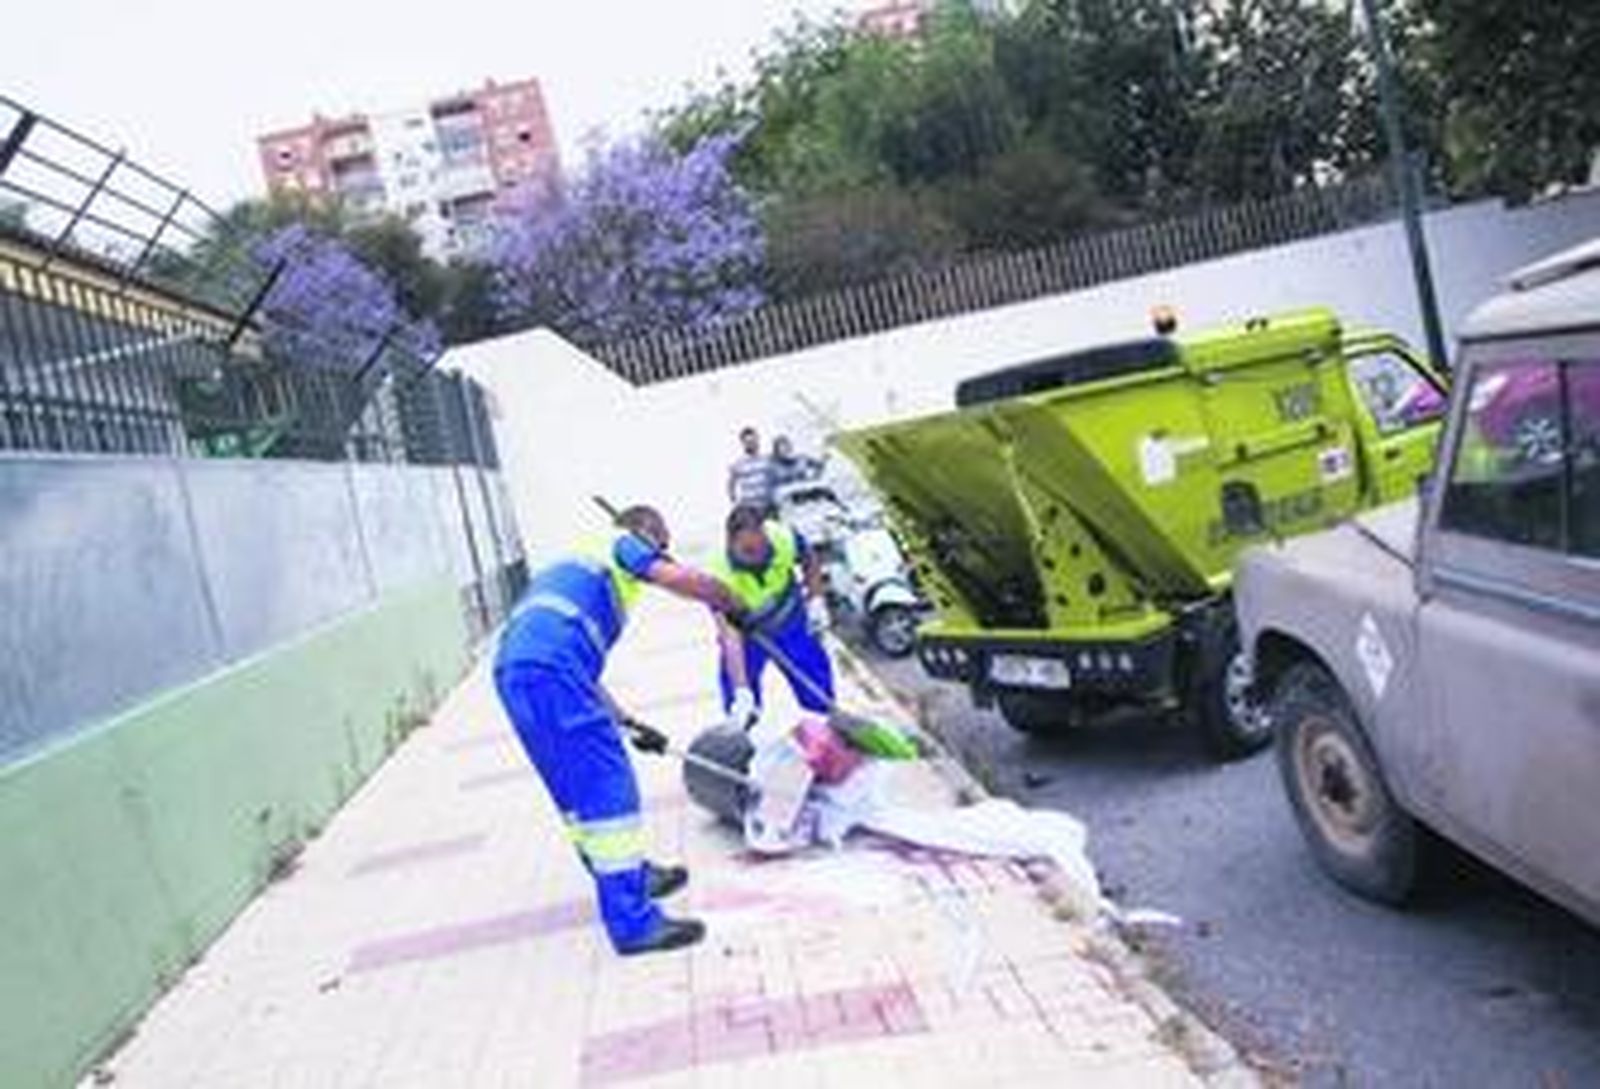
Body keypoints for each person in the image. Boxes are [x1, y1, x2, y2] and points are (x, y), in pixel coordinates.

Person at [493, 505, 744, 956]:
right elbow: (678, 578)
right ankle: (632, 924)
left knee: (574, 792)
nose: (661, 554)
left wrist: (627, 722)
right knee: (610, 788)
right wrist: (729, 599)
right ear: (646, 533)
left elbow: (577, 672)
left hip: (519, 674)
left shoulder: (574, 563)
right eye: (661, 545)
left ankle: (630, 877)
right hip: (552, 672)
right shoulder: (620, 543)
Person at [712, 504, 837, 728]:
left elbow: (809, 558)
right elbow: (730, 637)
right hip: (748, 632)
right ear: (732, 543)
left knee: (814, 681)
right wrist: (741, 689)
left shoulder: (783, 538)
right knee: (739, 696)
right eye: (749, 550)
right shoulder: (718, 576)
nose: (758, 556)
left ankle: (828, 726)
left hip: (790, 618)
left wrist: (816, 599)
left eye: (762, 547)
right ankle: (746, 732)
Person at [727, 426, 775, 513]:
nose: (751, 444)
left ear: (758, 440)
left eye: (753, 441)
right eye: (748, 442)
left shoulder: (767, 460)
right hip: (750, 508)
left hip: (768, 505)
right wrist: (734, 501)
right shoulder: (739, 463)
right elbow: (731, 483)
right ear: (743, 444)